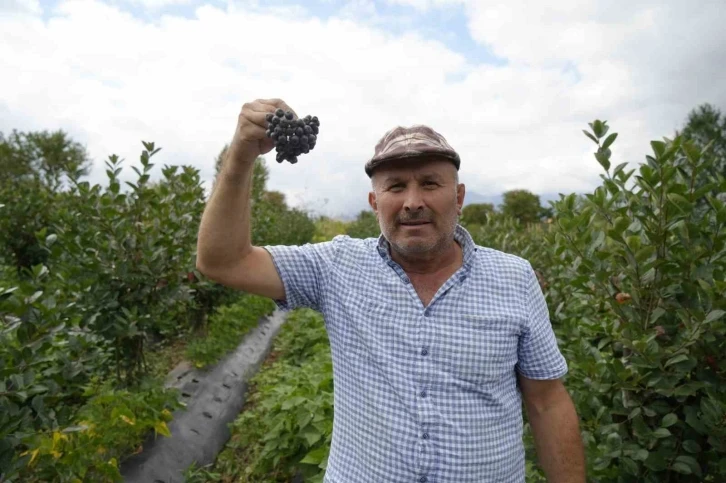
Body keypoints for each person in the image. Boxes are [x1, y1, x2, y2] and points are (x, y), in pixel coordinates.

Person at [196, 98, 586, 483]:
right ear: (374, 203)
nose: (413, 202)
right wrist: (241, 156)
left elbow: (547, 402)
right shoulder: (337, 266)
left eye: (430, 183)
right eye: (395, 186)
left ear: (459, 197)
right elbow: (222, 260)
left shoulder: (513, 278)